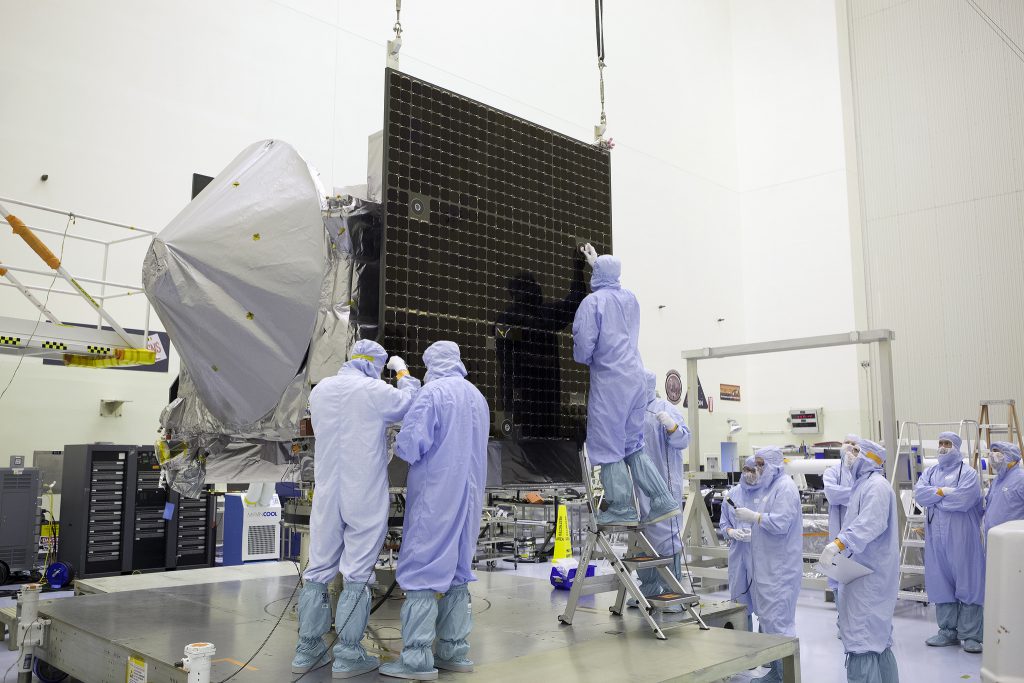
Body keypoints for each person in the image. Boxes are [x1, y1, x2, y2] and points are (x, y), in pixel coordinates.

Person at [293, 340, 421, 679]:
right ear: (376, 365)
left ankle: (307, 648)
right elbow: (410, 403)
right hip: (362, 491)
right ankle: (348, 654)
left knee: (318, 568)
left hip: (327, 492)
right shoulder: (375, 390)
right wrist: (403, 372)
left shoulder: (320, 392)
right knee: (357, 572)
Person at [379, 341, 490, 681]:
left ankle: (415, 660)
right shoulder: (477, 397)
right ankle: (454, 651)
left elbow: (412, 447)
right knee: (458, 571)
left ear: (431, 365)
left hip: (436, 496)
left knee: (422, 570)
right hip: (470, 496)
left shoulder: (433, 394)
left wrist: (394, 436)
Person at [572, 244, 678, 526]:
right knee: (633, 446)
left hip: (611, 383)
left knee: (608, 447)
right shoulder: (630, 298)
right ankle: (662, 499)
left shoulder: (592, 304)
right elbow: (615, 301)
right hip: (635, 379)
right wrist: (598, 266)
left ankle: (620, 506)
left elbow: (583, 348)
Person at [820, 439, 900, 682]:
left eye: (855, 451)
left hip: (869, 578)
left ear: (870, 458)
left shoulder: (876, 486)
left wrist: (839, 543)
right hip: (863, 573)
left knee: (862, 639)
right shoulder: (863, 485)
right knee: (877, 640)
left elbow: (869, 525)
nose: (849, 454)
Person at [734, 446, 802, 683]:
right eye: (757, 463)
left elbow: (780, 523)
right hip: (768, 569)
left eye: (762, 464)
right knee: (770, 624)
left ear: (775, 464)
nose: (758, 468)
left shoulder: (785, 488)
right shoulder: (770, 488)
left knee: (780, 626)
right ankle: (776, 672)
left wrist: (755, 517)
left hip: (780, 571)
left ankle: (787, 677)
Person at [913, 432, 985, 653]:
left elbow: (964, 500)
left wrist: (937, 500)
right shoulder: (930, 472)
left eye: (948, 444)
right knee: (941, 582)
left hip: (962, 539)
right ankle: (947, 632)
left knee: (968, 582)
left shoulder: (969, 473)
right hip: (936, 538)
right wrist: (944, 492)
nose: (943, 448)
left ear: (957, 447)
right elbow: (920, 495)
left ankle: (972, 635)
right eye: (941, 443)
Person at [630, 369, 690, 608]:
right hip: (640, 486)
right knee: (642, 536)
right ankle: (649, 591)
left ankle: (671, 593)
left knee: (666, 538)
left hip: (664, 487)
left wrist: (672, 427)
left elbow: (684, 440)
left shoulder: (666, 409)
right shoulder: (631, 413)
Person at [719, 456, 761, 631]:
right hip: (738, 554)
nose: (748, 474)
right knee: (739, 601)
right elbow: (724, 523)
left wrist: (757, 534)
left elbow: (772, 522)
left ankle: (767, 643)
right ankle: (745, 640)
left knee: (763, 601)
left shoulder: (766, 493)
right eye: (746, 469)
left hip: (760, 554)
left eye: (752, 470)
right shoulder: (732, 495)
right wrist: (732, 532)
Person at [824, 435, 858, 636]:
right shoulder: (832, 472)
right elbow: (832, 494)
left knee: (857, 578)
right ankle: (843, 621)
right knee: (838, 577)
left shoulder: (865, 473)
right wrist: (856, 492)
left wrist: (847, 493)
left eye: (855, 446)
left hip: (859, 536)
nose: (850, 449)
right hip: (838, 534)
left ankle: (856, 621)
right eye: (847, 444)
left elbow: (841, 495)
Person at [984, 441, 1024, 536]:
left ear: (1010, 456)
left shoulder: (1021, 479)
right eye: (992, 451)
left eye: (997, 451)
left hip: (1013, 539)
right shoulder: (997, 479)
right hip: (993, 537)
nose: (992, 455)